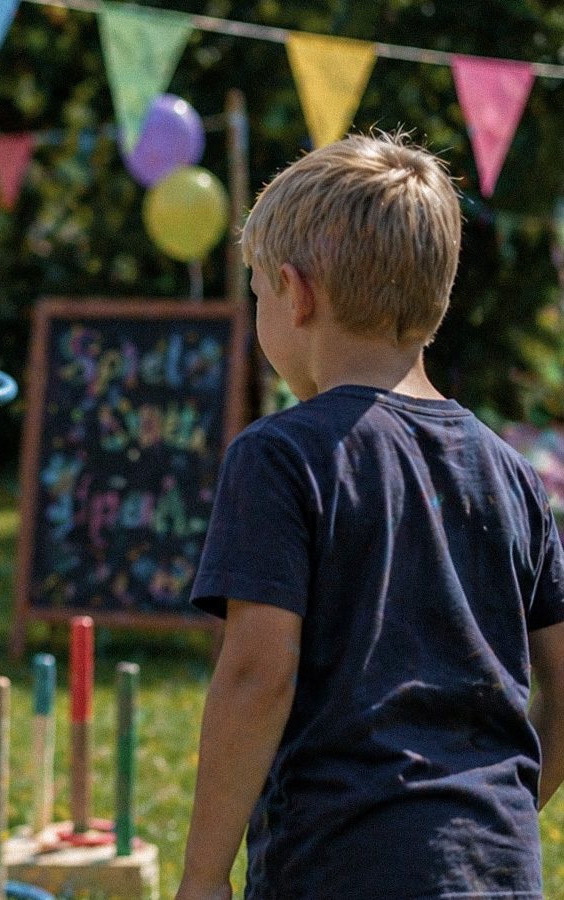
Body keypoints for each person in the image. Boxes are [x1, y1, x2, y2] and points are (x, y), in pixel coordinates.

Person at [176, 133, 564, 900]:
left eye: (259, 294)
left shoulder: (279, 456)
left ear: (297, 293)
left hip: (338, 867)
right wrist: (497, 813)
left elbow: (258, 673)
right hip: (496, 868)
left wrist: (200, 876)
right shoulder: (513, 474)